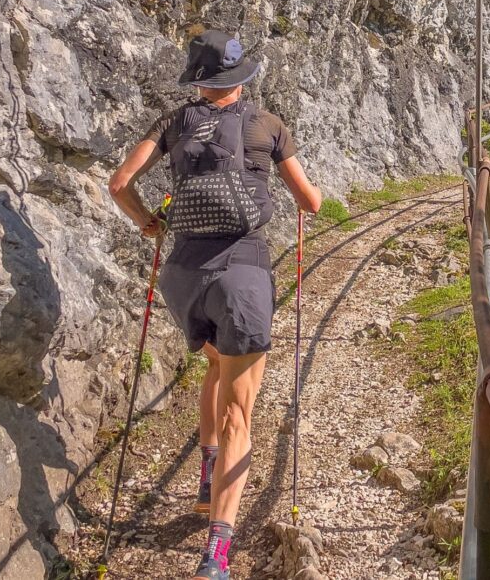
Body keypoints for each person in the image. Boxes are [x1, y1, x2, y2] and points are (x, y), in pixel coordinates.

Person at [108, 30, 322, 580]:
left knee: (215, 365)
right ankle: (216, 555)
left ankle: (207, 477)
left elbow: (119, 183)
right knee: (239, 414)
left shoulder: (174, 122)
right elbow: (310, 202)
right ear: (242, 78)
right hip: (243, 272)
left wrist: (148, 222)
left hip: (182, 274)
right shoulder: (266, 124)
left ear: (200, 83)